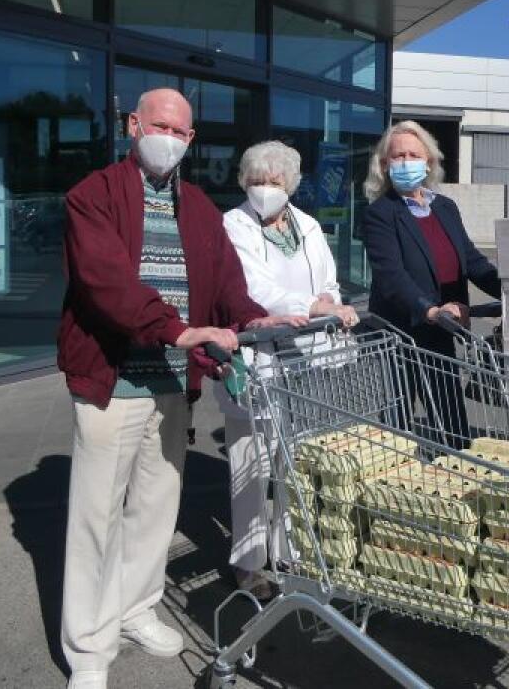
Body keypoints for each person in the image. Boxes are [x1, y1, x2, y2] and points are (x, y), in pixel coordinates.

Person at [57, 88, 298, 689]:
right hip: (111, 383)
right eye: (159, 124)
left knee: (155, 509)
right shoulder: (94, 196)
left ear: (192, 140)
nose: (169, 137)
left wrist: (250, 318)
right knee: (96, 518)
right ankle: (88, 648)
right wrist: (180, 329)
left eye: (182, 130)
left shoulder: (196, 208)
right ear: (133, 125)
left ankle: (136, 610)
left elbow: (225, 285)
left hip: (170, 384)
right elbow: (105, 285)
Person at [221, 140, 359, 599]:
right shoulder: (234, 225)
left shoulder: (310, 225)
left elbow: (329, 280)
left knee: (294, 462)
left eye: (275, 182)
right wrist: (310, 306)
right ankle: (248, 562)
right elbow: (254, 286)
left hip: (306, 359)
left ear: (292, 185)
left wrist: (332, 305)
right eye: (257, 181)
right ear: (244, 182)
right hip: (259, 358)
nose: (265, 190)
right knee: (252, 465)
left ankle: (288, 551)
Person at [362, 120, 500, 447]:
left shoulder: (445, 207)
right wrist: (430, 309)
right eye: (398, 156)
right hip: (400, 335)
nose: (406, 161)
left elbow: (472, 261)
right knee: (397, 430)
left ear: (429, 162)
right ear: (384, 165)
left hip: (442, 333)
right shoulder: (380, 214)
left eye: (413, 154)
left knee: (452, 427)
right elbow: (391, 276)